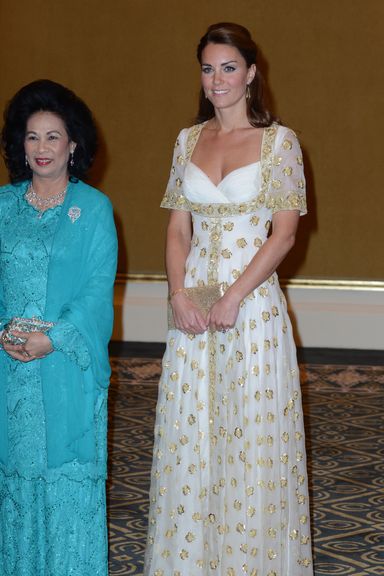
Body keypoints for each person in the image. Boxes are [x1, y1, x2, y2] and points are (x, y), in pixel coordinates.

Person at [144, 22, 313, 575]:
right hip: (192, 310)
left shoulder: (279, 143)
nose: (217, 80)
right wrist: (179, 295)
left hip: (252, 308)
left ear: (252, 73)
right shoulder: (186, 140)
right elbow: (176, 232)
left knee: (251, 440)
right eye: (208, 68)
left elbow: (283, 234)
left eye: (228, 67)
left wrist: (235, 296)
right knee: (191, 436)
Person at [0, 79, 117, 575]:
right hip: (9, 371)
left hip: (67, 366)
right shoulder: (3, 207)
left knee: (66, 479)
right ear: (19, 146)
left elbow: (96, 291)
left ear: (73, 144)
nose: (42, 148)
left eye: (53, 136)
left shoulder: (92, 210)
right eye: (32, 137)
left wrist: (55, 336)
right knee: (17, 480)